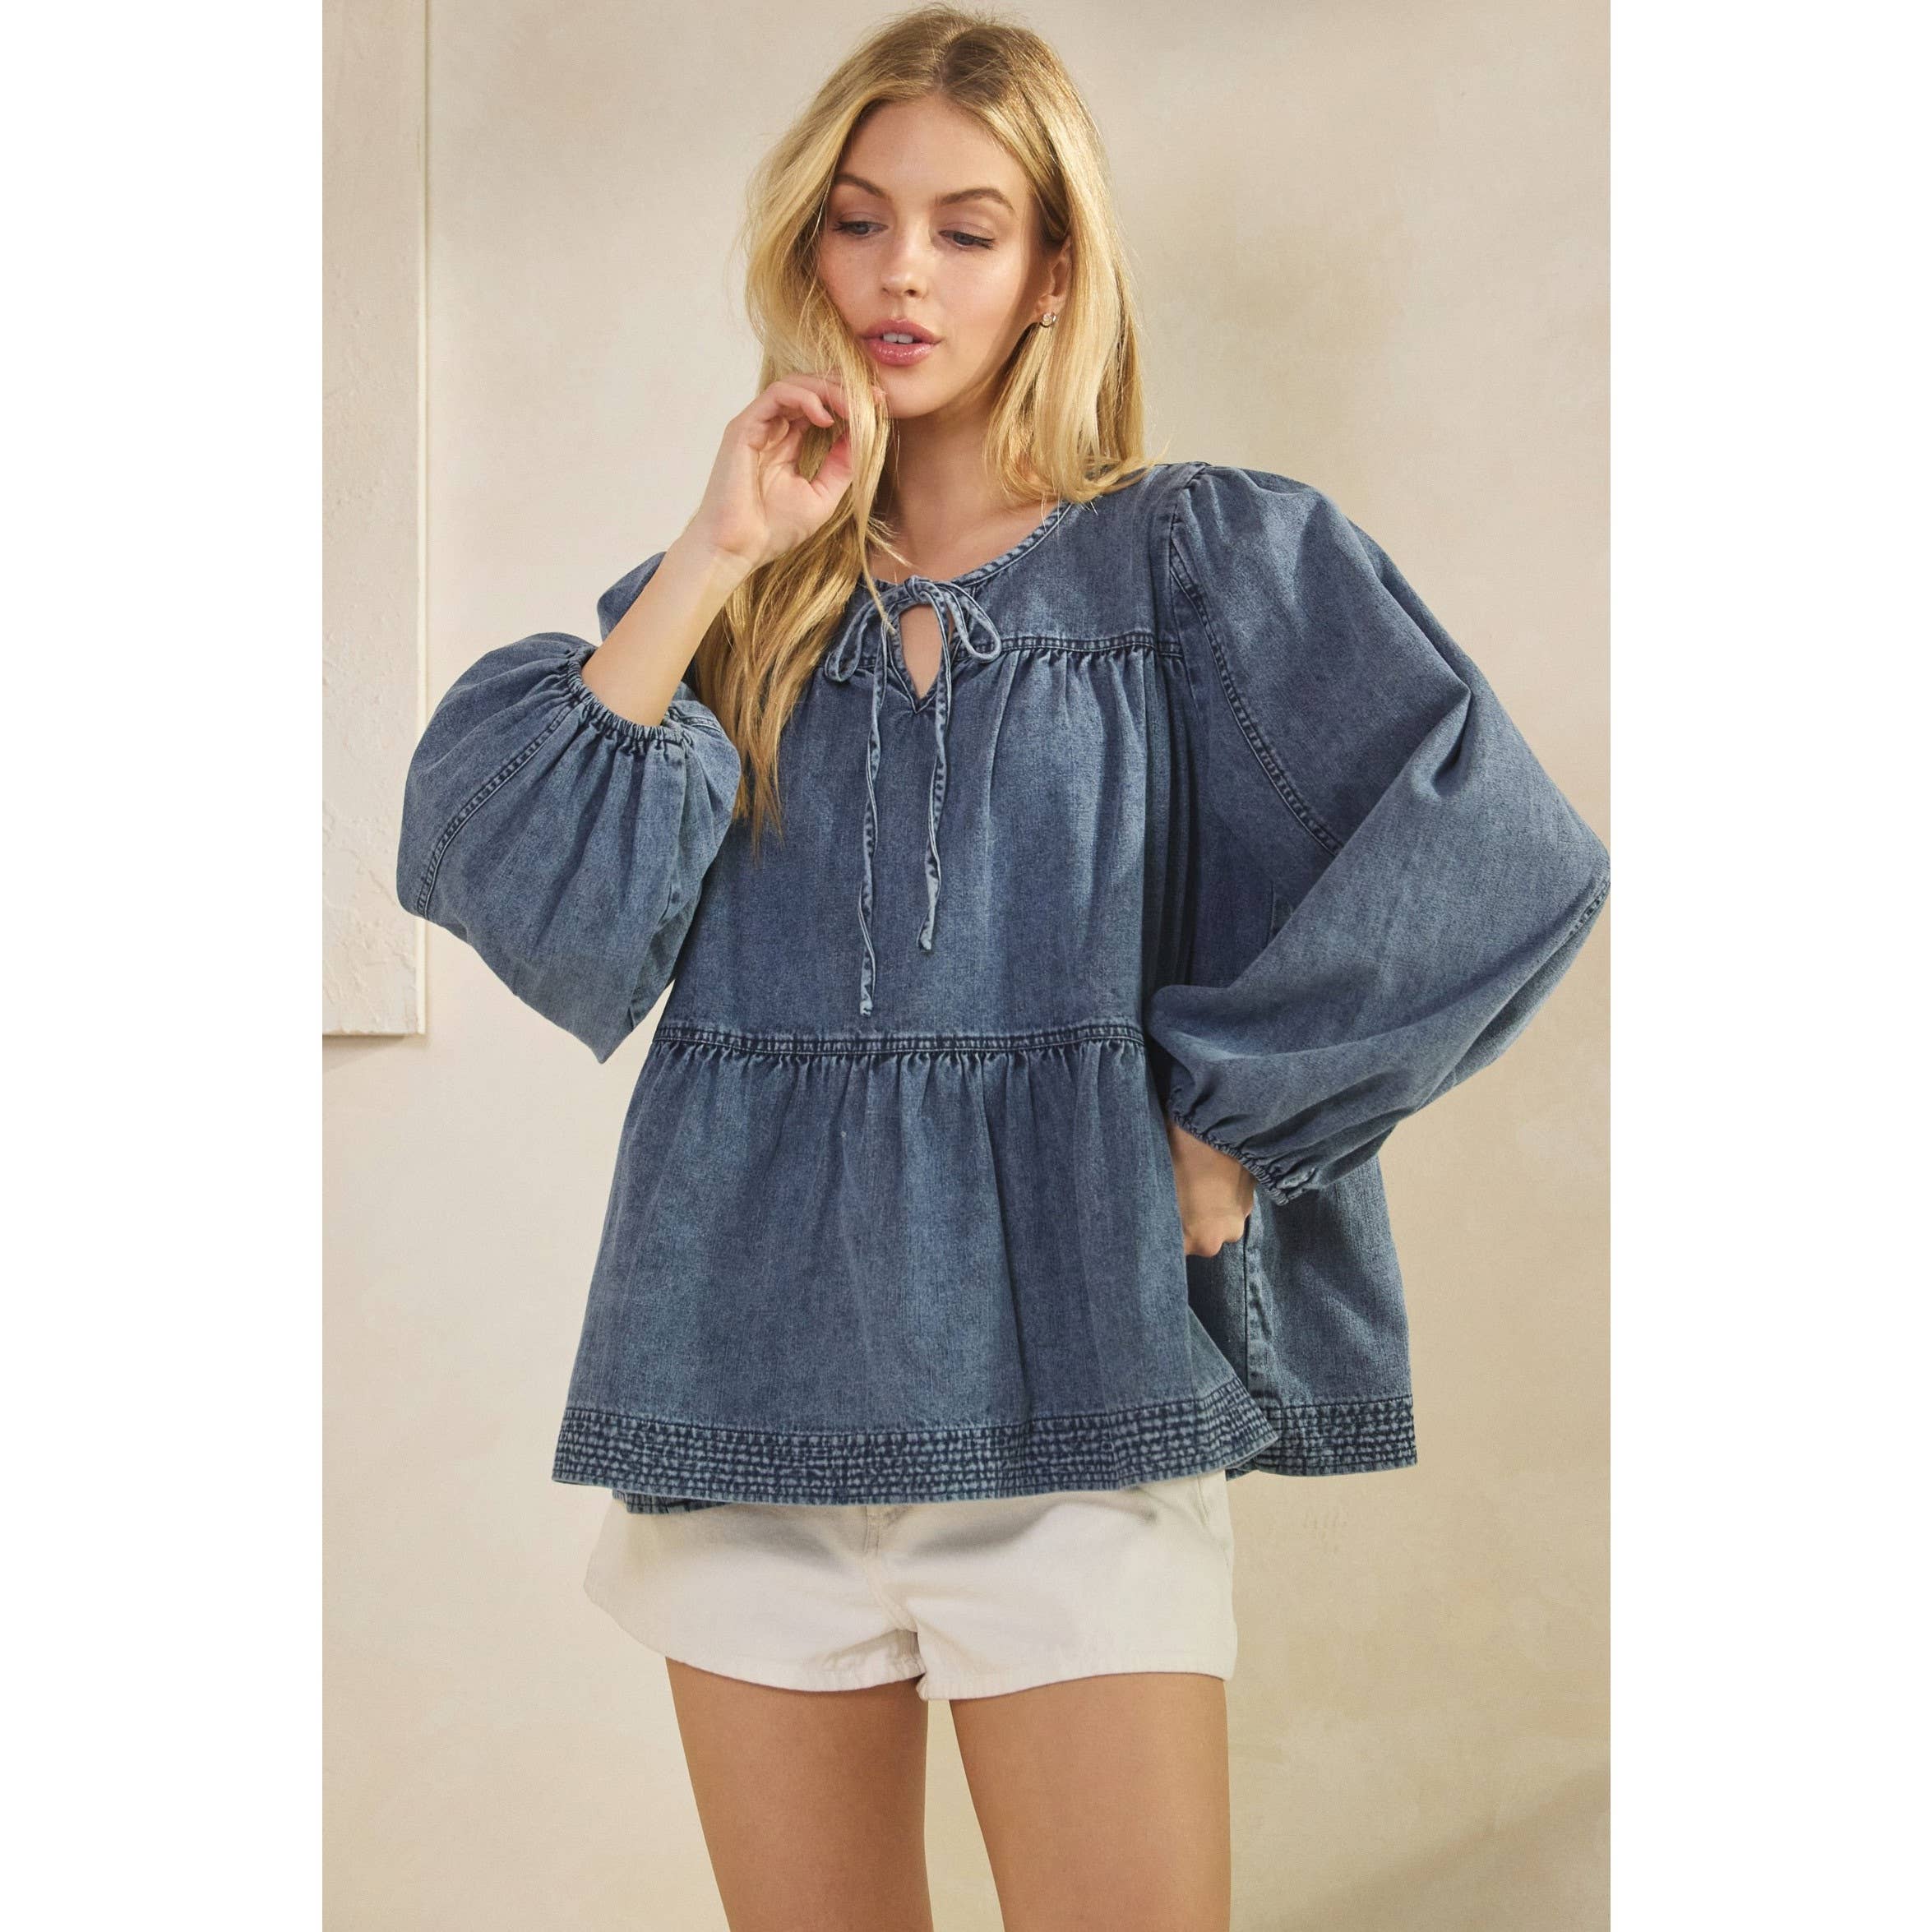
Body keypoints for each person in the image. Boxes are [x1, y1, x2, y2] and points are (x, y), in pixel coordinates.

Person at [393, 9, 1610, 1928]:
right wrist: (716, 547)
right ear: (806, 248)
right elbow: (522, 882)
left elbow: (1498, 853)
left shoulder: (1196, 562)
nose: (902, 272)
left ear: (1051, 269)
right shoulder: (732, 602)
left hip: (1078, 1404)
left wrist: (1229, 1126)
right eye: (858, 221)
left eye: (965, 229)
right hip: (744, 1403)